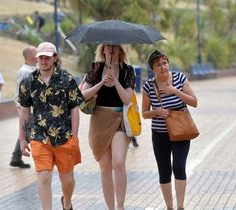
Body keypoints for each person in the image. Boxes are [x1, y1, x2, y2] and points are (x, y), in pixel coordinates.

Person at [18, 42, 83, 210]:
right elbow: (24, 111)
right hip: (39, 136)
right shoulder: (28, 81)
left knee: (67, 181)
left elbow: (74, 108)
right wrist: (22, 139)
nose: (44, 60)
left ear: (55, 58)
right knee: (44, 177)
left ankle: (67, 203)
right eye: (41, 57)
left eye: (47, 57)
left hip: (64, 136)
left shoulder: (66, 79)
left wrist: (74, 137)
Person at [80, 44, 135, 210]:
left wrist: (116, 81)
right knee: (105, 168)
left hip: (119, 119)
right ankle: (110, 207)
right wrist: (102, 83)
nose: (111, 50)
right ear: (103, 50)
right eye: (108, 47)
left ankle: (120, 206)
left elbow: (127, 99)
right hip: (99, 121)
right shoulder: (95, 68)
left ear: (120, 50)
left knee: (118, 163)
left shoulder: (127, 70)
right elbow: (82, 96)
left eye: (115, 47)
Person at [141, 50, 197, 210]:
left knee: (179, 166)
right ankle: (169, 207)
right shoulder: (148, 86)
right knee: (164, 171)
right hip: (159, 134)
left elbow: (194, 102)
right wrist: (156, 112)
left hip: (181, 132)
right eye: (158, 64)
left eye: (165, 63)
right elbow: (144, 114)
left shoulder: (179, 79)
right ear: (153, 68)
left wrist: (175, 91)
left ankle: (180, 206)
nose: (163, 67)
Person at [9, 46, 37, 169]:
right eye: (37, 53)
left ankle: (16, 158)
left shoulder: (31, 69)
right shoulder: (25, 72)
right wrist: (22, 108)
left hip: (29, 109)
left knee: (26, 133)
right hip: (27, 109)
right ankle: (41, 160)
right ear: (30, 56)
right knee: (32, 134)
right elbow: (23, 94)